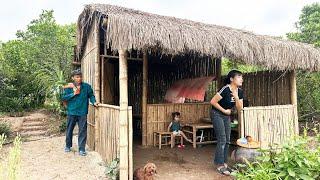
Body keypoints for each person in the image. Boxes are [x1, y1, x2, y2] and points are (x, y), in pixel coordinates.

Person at [210, 70, 244, 175]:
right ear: (231, 79)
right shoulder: (225, 89)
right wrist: (224, 110)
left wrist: (236, 96)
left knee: (228, 140)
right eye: (238, 77)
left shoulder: (239, 91)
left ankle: (224, 164)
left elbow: (240, 108)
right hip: (217, 114)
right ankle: (219, 164)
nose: (241, 79)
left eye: (241, 77)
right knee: (222, 139)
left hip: (226, 116)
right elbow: (213, 101)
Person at [62, 69, 98, 156]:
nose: (79, 78)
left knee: (82, 130)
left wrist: (94, 102)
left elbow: (91, 95)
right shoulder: (68, 87)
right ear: (73, 78)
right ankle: (68, 145)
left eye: (80, 77)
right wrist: (74, 93)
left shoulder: (87, 87)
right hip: (71, 112)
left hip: (82, 112)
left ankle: (81, 149)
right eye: (77, 77)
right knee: (69, 130)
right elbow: (64, 98)